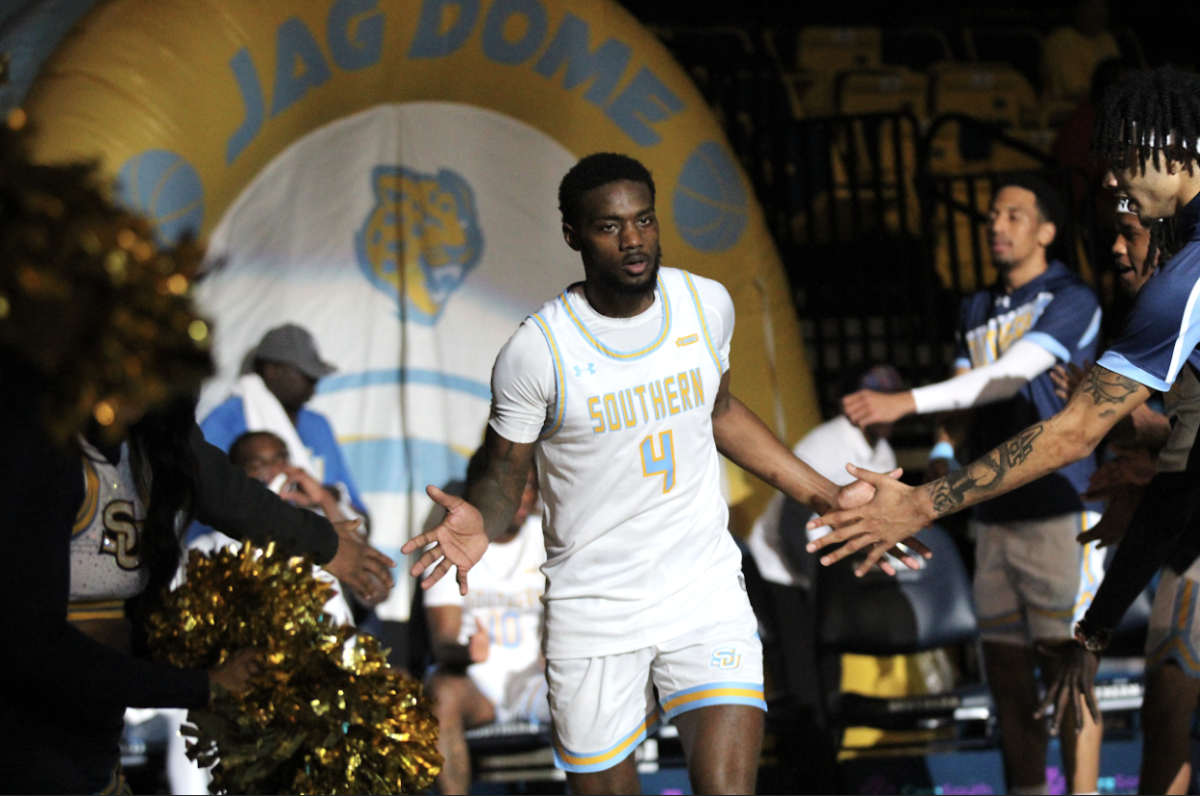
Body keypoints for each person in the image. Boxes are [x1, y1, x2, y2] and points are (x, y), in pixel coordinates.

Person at [401, 153, 923, 795]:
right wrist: (482, 516)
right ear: (573, 235)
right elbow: (505, 470)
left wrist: (825, 493)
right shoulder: (538, 351)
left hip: (702, 592)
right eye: (609, 226)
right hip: (594, 608)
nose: (633, 239)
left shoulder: (706, 305)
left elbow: (721, 411)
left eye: (643, 220)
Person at [805, 66, 1200, 756]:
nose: (1109, 180)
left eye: (1125, 155)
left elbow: (1076, 431)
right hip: (1053, 523)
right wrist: (1101, 624)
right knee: (1162, 719)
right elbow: (1187, 471)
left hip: (1056, 512)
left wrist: (922, 502)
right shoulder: (1169, 279)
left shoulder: (1181, 279)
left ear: (1182, 149)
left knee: (1169, 715)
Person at [841, 174, 1104, 795]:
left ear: (1047, 230)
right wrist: (938, 448)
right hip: (992, 516)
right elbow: (963, 396)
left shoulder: (1071, 297)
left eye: (1014, 214)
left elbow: (1011, 377)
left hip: (1061, 509)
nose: (996, 225)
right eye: (992, 215)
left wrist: (901, 401)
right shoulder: (976, 307)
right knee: (1009, 682)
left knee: (1067, 675)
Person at [424, 449, 547, 795]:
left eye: (530, 487)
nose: (522, 497)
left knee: (584, 686)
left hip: (536, 679)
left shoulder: (549, 536)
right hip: (479, 688)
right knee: (441, 691)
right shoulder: (449, 543)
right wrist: (465, 653)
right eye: (512, 486)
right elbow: (444, 641)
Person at [201, 323, 367, 520]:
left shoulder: (318, 426)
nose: (315, 385)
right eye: (308, 376)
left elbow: (358, 513)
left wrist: (325, 497)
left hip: (324, 542)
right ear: (274, 371)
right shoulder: (224, 422)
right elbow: (204, 504)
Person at [1042, 0, 1122, 106]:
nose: (1099, 12)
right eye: (1092, 6)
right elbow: (1076, 93)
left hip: (1104, 108)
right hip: (1067, 113)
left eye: (1103, 7)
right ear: (1077, 9)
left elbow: (1119, 82)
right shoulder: (1061, 41)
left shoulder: (1107, 39)